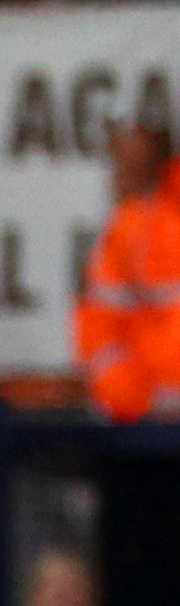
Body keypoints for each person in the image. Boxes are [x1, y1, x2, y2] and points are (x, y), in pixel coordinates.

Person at [75, 119, 180, 421]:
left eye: (135, 163)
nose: (120, 176)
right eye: (120, 163)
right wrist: (128, 397)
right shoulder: (127, 227)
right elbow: (101, 322)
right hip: (147, 414)